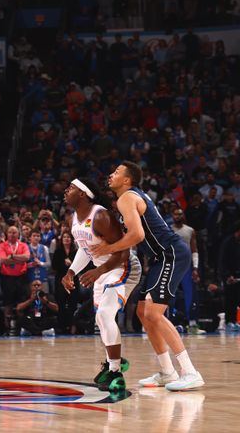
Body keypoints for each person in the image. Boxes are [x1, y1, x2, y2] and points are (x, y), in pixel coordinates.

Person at [93, 161, 204, 391]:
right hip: (158, 259)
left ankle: (190, 372)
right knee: (143, 312)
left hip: (170, 254)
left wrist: (109, 249)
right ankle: (167, 371)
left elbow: (136, 234)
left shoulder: (127, 197)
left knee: (154, 313)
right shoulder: (128, 198)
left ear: (127, 180)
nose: (111, 174)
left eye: (116, 172)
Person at [62, 178, 141, 392]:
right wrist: (70, 271)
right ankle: (113, 362)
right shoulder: (75, 220)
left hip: (122, 267)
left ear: (83, 194)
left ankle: (116, 372)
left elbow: (123, 252)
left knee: (105, 314)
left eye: (71, 188)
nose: (66, 190)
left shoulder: (101, 216)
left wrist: (99, 271)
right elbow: (85, 249)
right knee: (101, 318)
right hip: (102, 270)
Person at [171, 207, 203, 334]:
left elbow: (194, 250)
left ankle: (192, 324)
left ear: (183, 215)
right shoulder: (168, 229)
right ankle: (170, 322)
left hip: (186, 266)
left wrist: (195, 268)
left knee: (190, 295)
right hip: (172, 265)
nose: (178, 216)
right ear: (172, 216)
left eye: (180, 214)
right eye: (175, 214)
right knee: (170, 295)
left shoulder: (190, 230)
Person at [0, 225, 30, 333]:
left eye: (14, 232)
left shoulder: (23, 245)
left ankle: (21, 327)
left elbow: (26, 258)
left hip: (21, 278)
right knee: (8, 303)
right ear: (7, 234)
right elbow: (2, 260)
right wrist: (19, 260)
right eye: (10, 232)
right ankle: (7, 328)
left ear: (18, 234)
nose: (12, 234)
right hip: (7, 278)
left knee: (22, 302)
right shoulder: (2, 245)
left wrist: (11, 257)